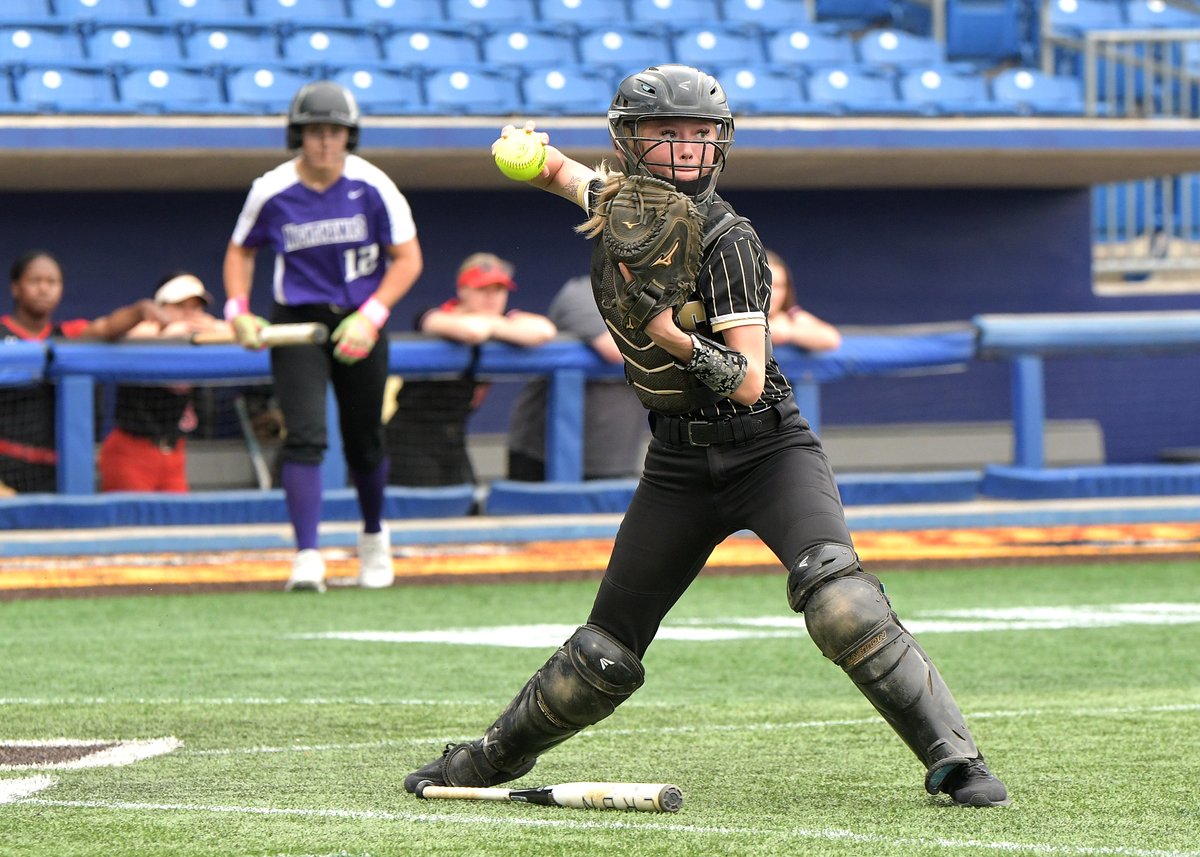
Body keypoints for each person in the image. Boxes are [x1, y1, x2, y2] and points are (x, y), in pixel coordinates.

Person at [405, 65, 1009, 808]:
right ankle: (487, 759)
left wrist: (671, 336)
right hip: (679, 460)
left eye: (701, 133)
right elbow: (570, 177)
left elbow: (751, 379)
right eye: (668, 132)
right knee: (605, 649)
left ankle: (956, 757)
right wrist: (528, 156)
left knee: (842, 602)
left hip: (767, 447)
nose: (688, 147)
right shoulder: (623, 202)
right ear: (628, 140)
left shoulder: (731, 239)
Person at [222, 80, 423, 593]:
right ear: (298, 135)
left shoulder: (374, 185)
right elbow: (241, 250)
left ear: (349, 136)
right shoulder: (271, 188)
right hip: (296, 321)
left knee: (365, 438)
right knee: (305, 434)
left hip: (361, 318)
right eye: (315, 131)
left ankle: (374, 538)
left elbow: (408, 258)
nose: (326, 142)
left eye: (335, 131)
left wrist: (371, 315)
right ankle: (307, 555)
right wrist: (237, 310)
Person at [0, 249, 168, 494]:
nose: (44, 289)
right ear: (16, 288)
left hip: (56, 472)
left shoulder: (70, 334)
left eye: (52, 282)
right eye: (35, 281)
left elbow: (108, 327)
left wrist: (140, 310)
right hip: (6, 468)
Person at [386, 252, 556, 487]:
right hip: (410, 437)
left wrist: (497, 324)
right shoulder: (432, 314)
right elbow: (471, 332)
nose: (492, 297)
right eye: (482, 289)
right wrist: (502, 326)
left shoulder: (498, 320)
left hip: (453, 439)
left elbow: (544, 330)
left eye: (498, 290)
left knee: (470, 506)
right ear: (463, 290)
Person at [506, 274, 649, 481]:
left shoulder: (658, 295)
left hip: (616, 456)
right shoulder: (583, 292)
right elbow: (617, 350)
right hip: (542, 455)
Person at [97, 272, 228, 493]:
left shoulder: (201, 332)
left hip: (174, 453)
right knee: (133, 526)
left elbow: (238, 331)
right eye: (180, 307)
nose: (189, 315)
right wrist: (168, 332)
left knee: (178, 525)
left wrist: (213, 328)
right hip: (131, 451)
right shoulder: (145, 331)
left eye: (195, 308)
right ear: (160, 308)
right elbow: (120, 333)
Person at [765, 248, 843, 351]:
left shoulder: (791, 314)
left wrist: (789, 331)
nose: (773, 293)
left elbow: (831, 338)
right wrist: (769, 329)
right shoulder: (739, 314)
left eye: (779, 286)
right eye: (767, 285)